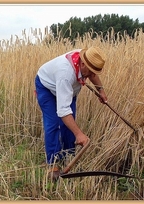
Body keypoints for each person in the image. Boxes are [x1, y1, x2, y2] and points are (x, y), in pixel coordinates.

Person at [34, 45, 108, 181]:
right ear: (83, 64)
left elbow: (92, 74)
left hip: (68, 89)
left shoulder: (86, 57)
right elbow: (63, 111)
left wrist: (101, 90)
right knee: (55, 123)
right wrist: (79, 134)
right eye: (90, 72)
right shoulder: (65, 73)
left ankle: (68, 156)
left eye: (94, 73)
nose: (91, 76)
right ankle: (53, 164)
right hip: (47, 86)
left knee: (70, 121)